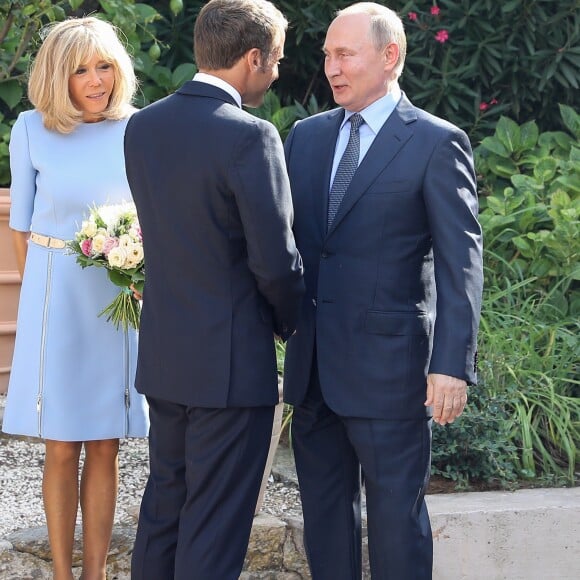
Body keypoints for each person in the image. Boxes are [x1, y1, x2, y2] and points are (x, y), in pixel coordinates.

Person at [283, 3, 484, 579]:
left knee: (397, 522)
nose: (331, 67)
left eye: (344, 54)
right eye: (327, 54)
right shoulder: (306, 137)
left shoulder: (436, 143)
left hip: (393, 375)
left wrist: (451, 364)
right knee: (325, 521)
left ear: (390, 56)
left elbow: (460, 262)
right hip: (314, 369)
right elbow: (286, 245)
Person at [123, 0, 304, 578]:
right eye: (274, 59)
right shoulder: (250, 137)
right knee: (215, 523)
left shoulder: (143, 127)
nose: (276, 71)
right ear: (251, 57)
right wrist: (287, 323)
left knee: (164, 509)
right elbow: (275, 262)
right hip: (229, 365)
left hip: (164, 356)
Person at [2, 16, 149, 580]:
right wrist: (39, 291)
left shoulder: (139, 127)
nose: (96, 80)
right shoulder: (31, 129)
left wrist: (139, 274)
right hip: (54, 295)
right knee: (61, 443)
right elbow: (21, 224)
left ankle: (96, 574)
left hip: (116, 296)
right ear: (58, 75)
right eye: (82, 69)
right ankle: (62, 574)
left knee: (107, 442)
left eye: (105, 65)